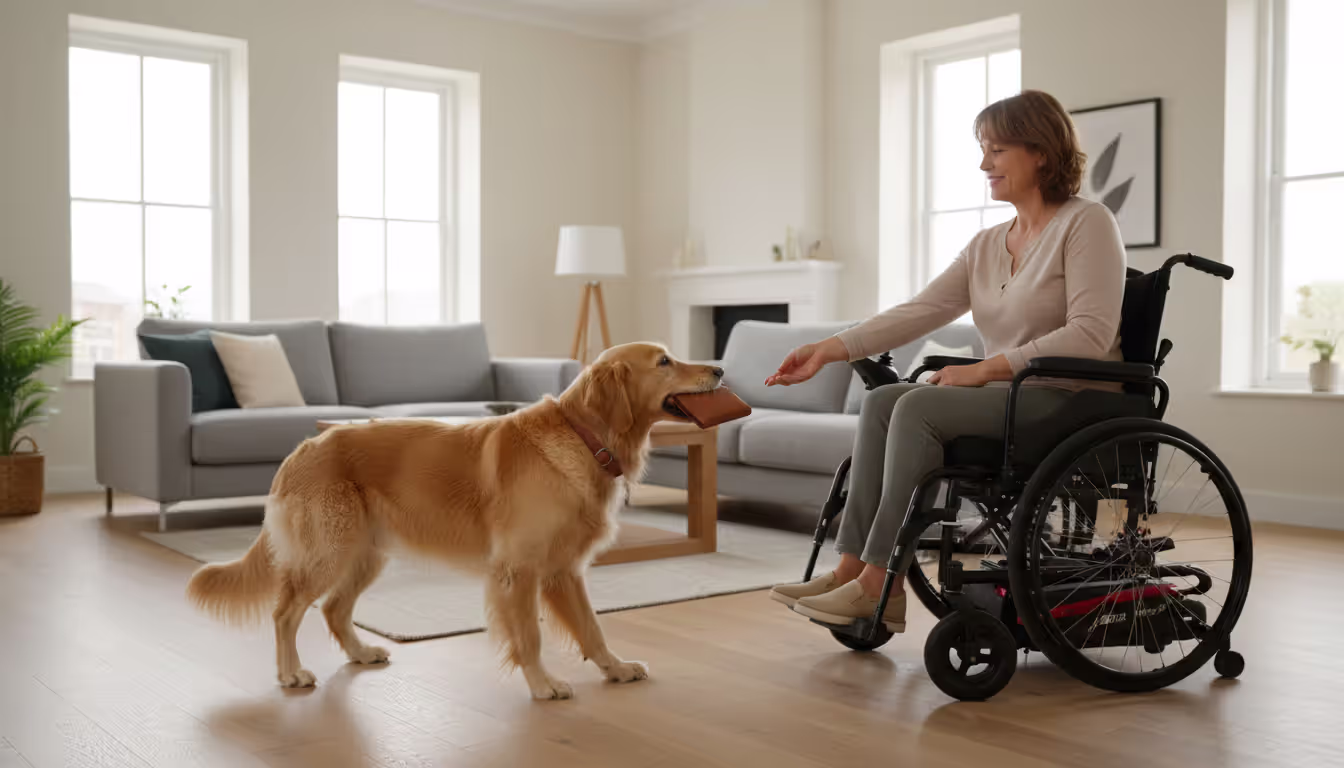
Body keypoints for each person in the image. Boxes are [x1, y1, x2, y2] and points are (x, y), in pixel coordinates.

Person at [766, 89, 1127, 632]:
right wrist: (831, 348)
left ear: (1042, 153)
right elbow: (923, 309)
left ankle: (877, 584)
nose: (985, 164)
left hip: (1073, 401)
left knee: (919, 409)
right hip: (1011, 397)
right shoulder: (987, 243)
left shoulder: (1086, 223)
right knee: (887, 398)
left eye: (998, 150)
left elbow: (1092, 334)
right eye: (984, 150)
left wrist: (984, 369)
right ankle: (849, 571)